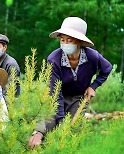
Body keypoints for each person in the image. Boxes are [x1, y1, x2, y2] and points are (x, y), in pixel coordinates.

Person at [29, 17, 112, 148]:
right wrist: (61, 121)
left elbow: (107, 69)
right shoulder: (54, 59)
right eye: (62, 40)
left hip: (79, 97)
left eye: (69, 40)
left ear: (78, 42)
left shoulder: (92, 56)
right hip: (55, 96)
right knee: (50, 126)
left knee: (73, 130)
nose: (65, 43)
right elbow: (56, 93)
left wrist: (93, 86)